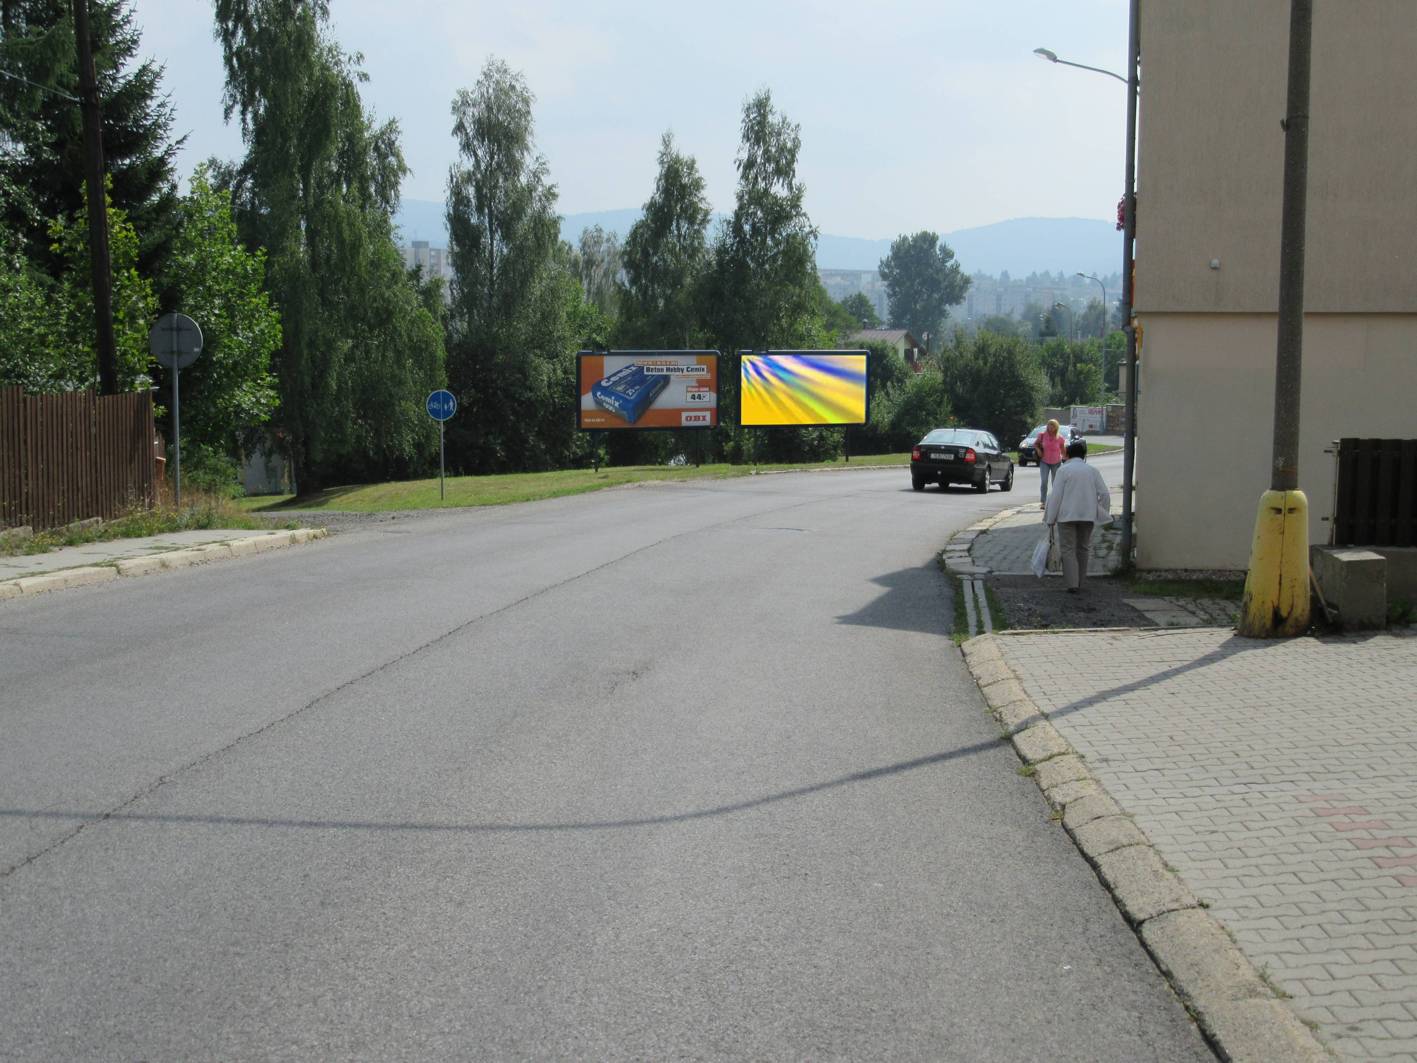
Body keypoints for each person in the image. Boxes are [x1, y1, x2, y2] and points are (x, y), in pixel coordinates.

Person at [1043, 439, 1112, 593]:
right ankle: (1081, 581)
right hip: (1088, 515)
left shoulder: (1063, 471)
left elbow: (1056, 497)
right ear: (1084, 455)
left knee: (1068, 549)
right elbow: (1105, 494)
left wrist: (1050, 518)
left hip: (1066, 516)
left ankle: (1072, 584)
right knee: (1083, 548)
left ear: (1067, 454)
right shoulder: (1092, 471)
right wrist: (1102, 512)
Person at [1037, 419, 1066, 506]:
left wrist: (1067, 460)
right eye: (1049, 425)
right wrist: (1038, 450)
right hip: (1044, 461)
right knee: (1044, 481)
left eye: (1052, 425)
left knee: (1056, 482)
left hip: (1056, 462)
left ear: (1056, 427)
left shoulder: (1060, 438)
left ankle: (1055, 501)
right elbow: (1036, 444)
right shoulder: (1042, 436)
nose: (1050, 427)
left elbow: (1063, 450)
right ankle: (1043, 502)